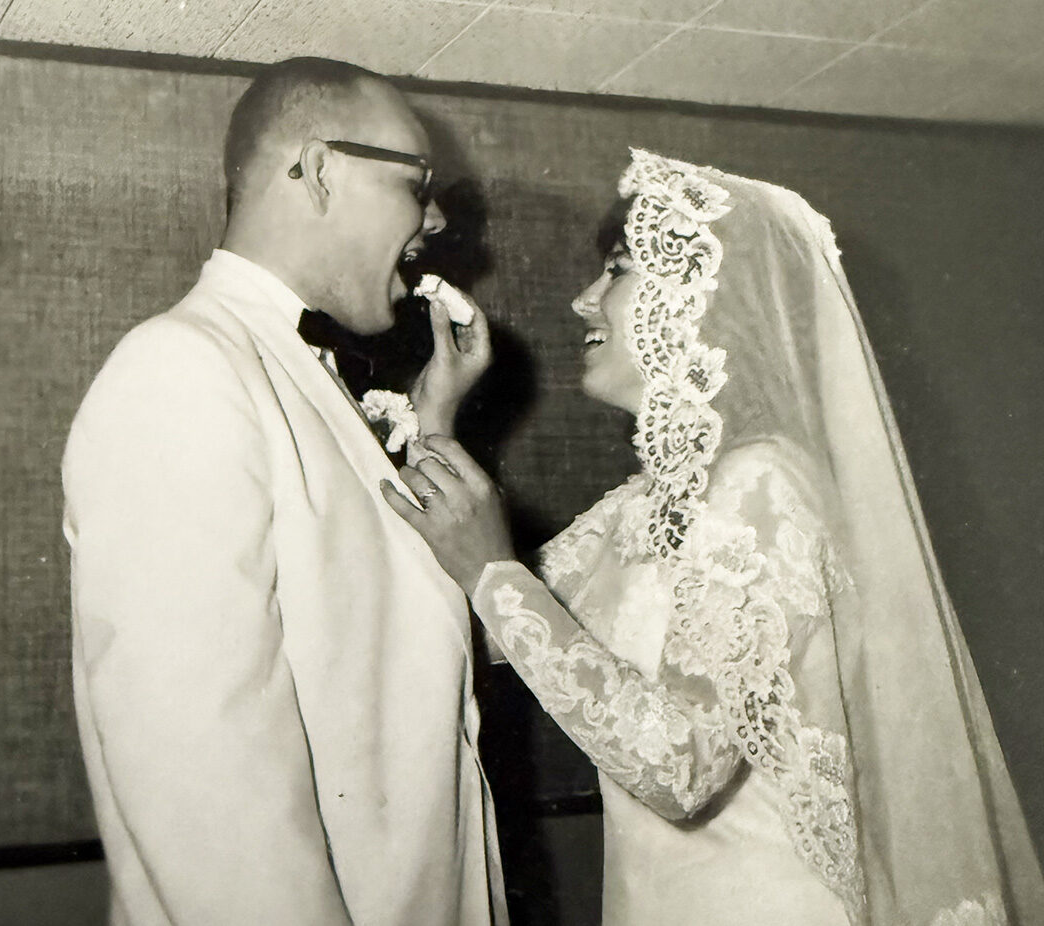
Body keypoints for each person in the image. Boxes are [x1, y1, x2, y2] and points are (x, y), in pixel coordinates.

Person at [383, 147, 1044, 924]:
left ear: (703, 299)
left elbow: (681, 767)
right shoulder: (641, 507)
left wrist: (500, 576)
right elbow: (486, 619)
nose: (584, 301)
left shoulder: (763, 482)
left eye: (619, 269)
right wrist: (434, 424)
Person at [62, 58, 506, 925]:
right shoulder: (179, 370)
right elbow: (205, 775)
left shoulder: (287, 370)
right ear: (319, 169)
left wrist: (435, 423)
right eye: (418, 183)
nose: (438, 216)